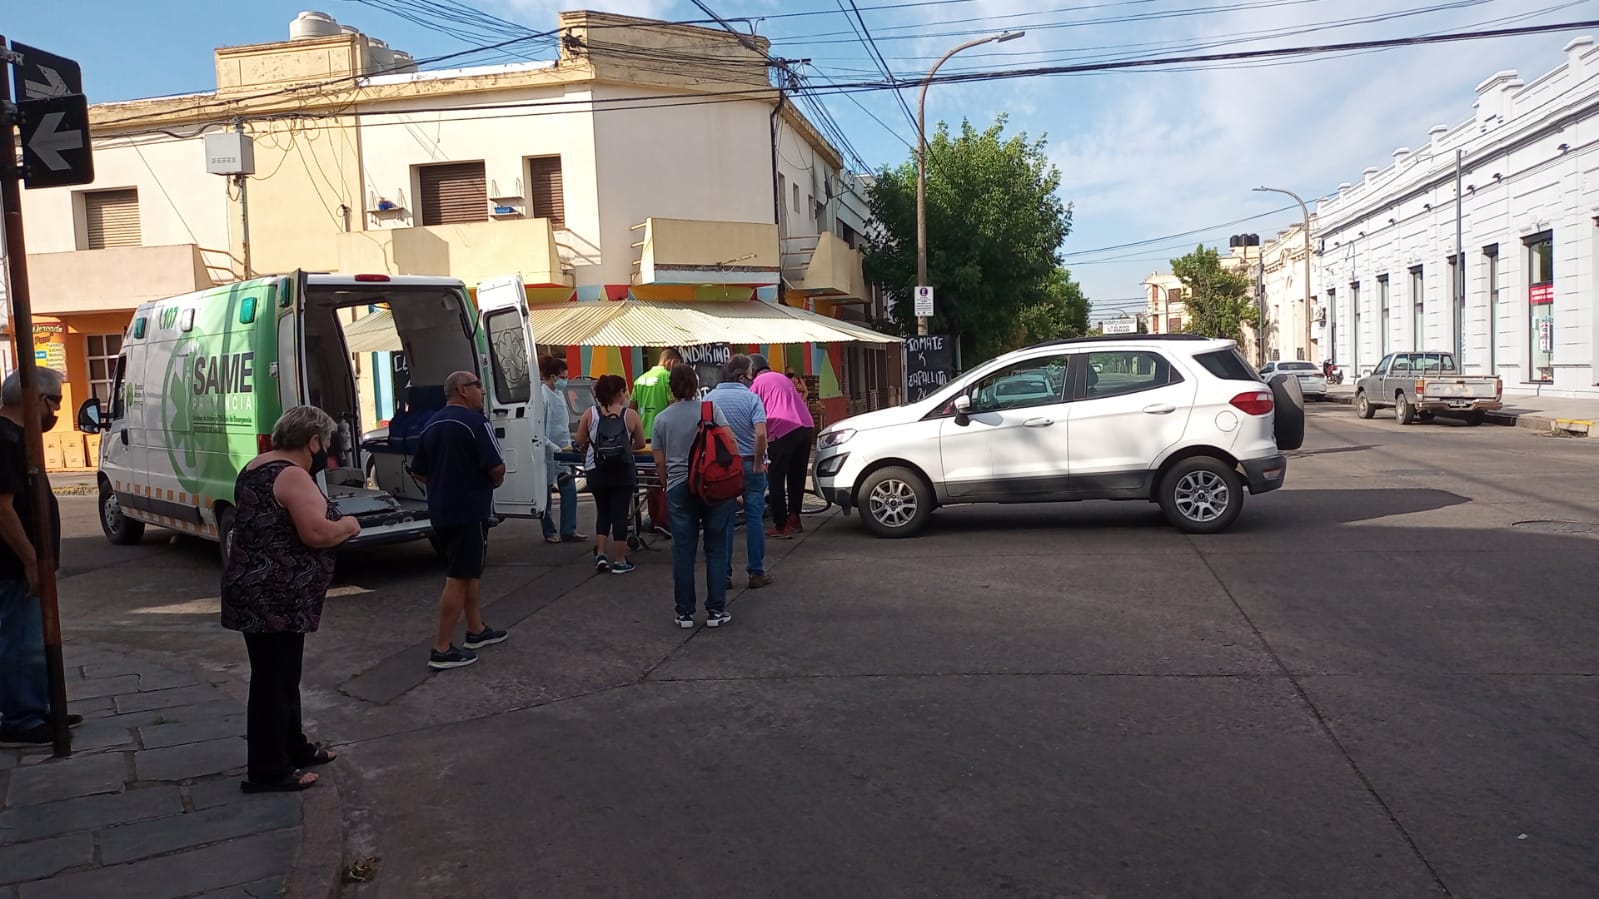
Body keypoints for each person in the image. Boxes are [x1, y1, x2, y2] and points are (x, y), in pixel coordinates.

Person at [222, 405, 361, 792]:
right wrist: (349, 525)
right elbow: (316, 533)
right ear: (313, 441)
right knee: (272, 682)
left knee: (283, 677)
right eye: (326, 444)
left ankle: (293, 746)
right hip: (274, 597)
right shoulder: (292, 475)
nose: (326, 452)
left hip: (255, 591)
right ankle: (268, 770)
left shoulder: (256, 465)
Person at [0, 367, 78, 747]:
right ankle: (21, 717)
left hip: (26, 563)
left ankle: (39, 706)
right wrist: (31, 559)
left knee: (32, 638)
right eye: (56, 403)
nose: (57, 412)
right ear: (36, 400)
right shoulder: (5, 439)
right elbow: (3, 509)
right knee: (20, 640)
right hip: (13, 565)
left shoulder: (18, 437)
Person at [411, 370, 508, 671]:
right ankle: (441, 647)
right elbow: (498, 467)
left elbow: (419, 471)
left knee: (469, 571)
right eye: (478, 386)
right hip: (470, 510)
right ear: (463, 390)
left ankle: (476, 629)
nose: (481, 391)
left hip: (442, 510)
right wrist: (481, 482)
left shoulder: (431, 424)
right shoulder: (476, 424)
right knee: (459, 576)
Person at [651, 365, 735, 629]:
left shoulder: (661, 419)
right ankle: (715, 610)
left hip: (678, 487)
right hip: (711, 485)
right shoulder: (710, 411)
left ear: (671, 388)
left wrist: (669, 485)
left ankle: (684, 612)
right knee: (716, 547)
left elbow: (659, 463)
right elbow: (729, 445)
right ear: (697, 384)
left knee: (683, 550)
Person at [708, 355, 771, 590]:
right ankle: (756, 571)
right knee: (754, 518)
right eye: (752, 372)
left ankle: (723, 573)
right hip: (749, 463)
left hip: (723, 466)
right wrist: (757, 462)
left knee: (725, 520)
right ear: (743, 375)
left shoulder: (710, 399)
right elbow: (762, 434)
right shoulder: (752, 398)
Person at [574, 374, 645, 574]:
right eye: (624, 391)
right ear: (619, 393)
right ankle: (621, 560)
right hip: (623, 470)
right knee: (620, 515)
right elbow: (640, 443)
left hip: (596, 469)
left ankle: (602, 555)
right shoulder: (630, 415)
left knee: (603, 512)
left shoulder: (590, 413)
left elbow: (579, 439)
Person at [750, 354, 815, 539]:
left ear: (753, 371)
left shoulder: (757, 384)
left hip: (783, 428)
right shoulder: (782, 377)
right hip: (806, 425)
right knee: (797, 476)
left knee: (776, 477)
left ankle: (780, 525)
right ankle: (795, 517)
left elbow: (753, 414)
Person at [632, 348, 682, 536]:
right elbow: (672, 408)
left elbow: (632, 408)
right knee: (664, 479)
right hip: (662, 437)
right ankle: (663, 520)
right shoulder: (667, 379)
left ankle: (654, 518)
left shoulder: (640, 379)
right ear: (670, 362)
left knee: (650, 482)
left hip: (643, 437)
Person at [539, 356, 587, 545]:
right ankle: (549, 531)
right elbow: (540, 429)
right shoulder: (543, 396)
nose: (565, 381)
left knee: (569, 489)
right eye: (563, 377)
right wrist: (554, 447)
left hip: (563, 448)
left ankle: (569, 530)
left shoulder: (558, 394)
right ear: (552, 377)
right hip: (549, 450)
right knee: (546, 494)